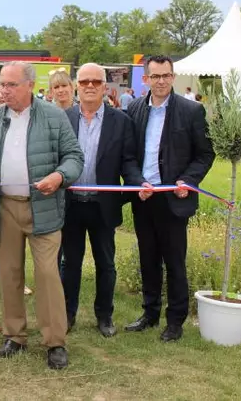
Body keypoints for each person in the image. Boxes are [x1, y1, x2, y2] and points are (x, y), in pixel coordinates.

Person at [0, 61, 84, 369]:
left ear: (30, 85)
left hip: (43, 208)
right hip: (4, 206)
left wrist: (59, 177)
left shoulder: (55, 117)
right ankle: (14, 335)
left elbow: (74, 157)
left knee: (47, 275)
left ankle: (55, 342)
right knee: (9, 274)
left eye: (11, 85)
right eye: (1, 85)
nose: (4, 90)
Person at [126, 55, 215, 342]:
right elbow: (127, 156)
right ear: (146, 79)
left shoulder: (191, 111)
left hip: (174, 200)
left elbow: (204, 154)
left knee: (174, 262)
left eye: (166, 75)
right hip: (144, 197)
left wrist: (188, 180)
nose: (161, 81)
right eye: (155, 76)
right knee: (148, 258)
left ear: (173, 77)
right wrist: (137, 181)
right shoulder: (135, 109)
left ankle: (175, 321)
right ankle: (149, 313)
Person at [62, 63, 147, 337]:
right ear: (77, 84)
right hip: (71, 205)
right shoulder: (64, 118)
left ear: (105, 87)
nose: (89, 86)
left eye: (95, 82)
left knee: (106, 264)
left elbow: (129, 163)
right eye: (84, 81)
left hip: (103, 207)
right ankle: (67, 313)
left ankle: (104, 316)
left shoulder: (121, 122)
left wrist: (138, 184)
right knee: (69, 263)